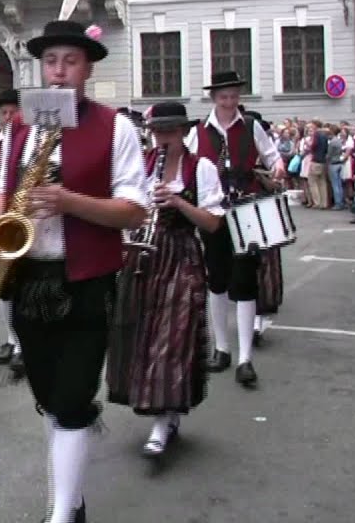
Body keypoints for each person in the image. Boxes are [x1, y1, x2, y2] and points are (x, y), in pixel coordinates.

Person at [0, 20, 147, 523]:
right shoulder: (20, 128)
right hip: (28, 277)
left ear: (87, 68)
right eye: (51, 61)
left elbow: (134, 209)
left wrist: (69, 201)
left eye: (69, 62)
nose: (57, 72)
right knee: (49, 395)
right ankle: (70, 499)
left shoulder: (114, 126)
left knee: (74, 395)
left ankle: (61, 514)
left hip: (86, 278)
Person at [106, 102, 223, 458]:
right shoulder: (141, 165)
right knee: (143, 333)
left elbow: (214, 224)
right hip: (144, 255)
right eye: (157, 132)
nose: (162, 139)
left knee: (172, 336)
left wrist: (177, 201)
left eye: (170, 132)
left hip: (182, 256)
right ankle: (164, 411)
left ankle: (162, 421)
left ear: (183, 132)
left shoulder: (200, 167)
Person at [186, 71, 286, 388]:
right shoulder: (199, 132)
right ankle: (221, 348)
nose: (229, 102)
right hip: (214, 212)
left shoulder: (252, 127)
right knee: (216, 279)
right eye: (223, 97)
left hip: (249, 210)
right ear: (214, 98)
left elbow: (273, 158)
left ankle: (245, 358)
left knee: (245, 280)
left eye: (233, 96)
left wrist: (278, 169)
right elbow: (188, 165)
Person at [0, 89, 25, 377]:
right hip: (1, 216)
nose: (8, 117)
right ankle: (11, 339)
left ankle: (24, 344)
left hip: (25, 216)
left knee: (22, 284)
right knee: (2, 283)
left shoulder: (28, 138)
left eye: (12, 112)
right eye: (3, 113)